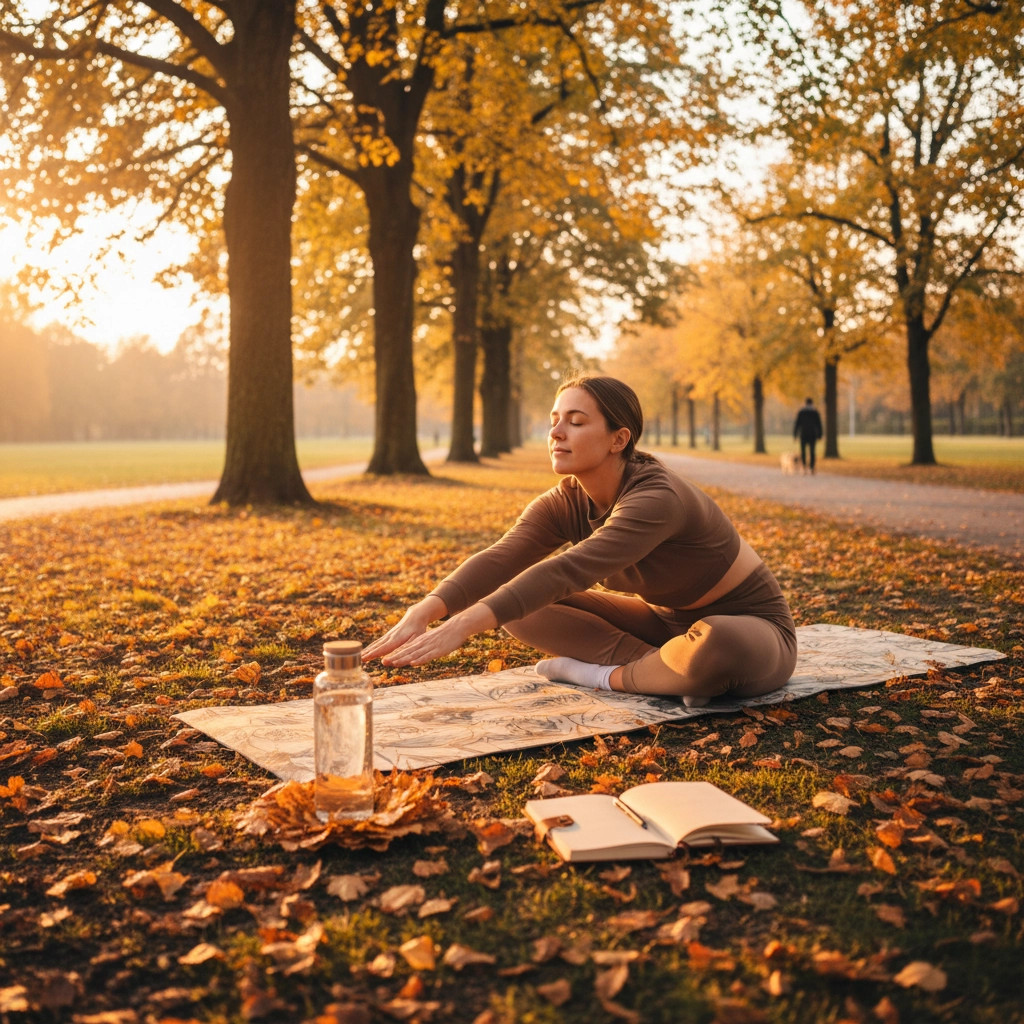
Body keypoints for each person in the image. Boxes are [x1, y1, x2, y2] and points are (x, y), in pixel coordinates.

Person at [364, 374, 797, 704]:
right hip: (662, 625)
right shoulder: (565, 500)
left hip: (750, 625)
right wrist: (426, 610)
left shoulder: (657, 497)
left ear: (618, 439)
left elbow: (570, 569)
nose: (556, 433)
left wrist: (461, 625)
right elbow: (501, 558)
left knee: (717, 644)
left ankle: (603, 675)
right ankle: (664, 671)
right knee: (515, 601)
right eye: (554, 421)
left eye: (575, 422)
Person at [793, 397, 823, 474]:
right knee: (812, 451)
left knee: (803, 451)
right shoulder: (815, 412)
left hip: (803, 434)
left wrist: (795, 435)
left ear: (805, 403)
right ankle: (811, 467)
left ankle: (803, 466)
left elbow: (797, 424)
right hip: (812, 434)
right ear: (812, 403)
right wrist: (820, 435)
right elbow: (819, 424)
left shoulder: (801, 412)